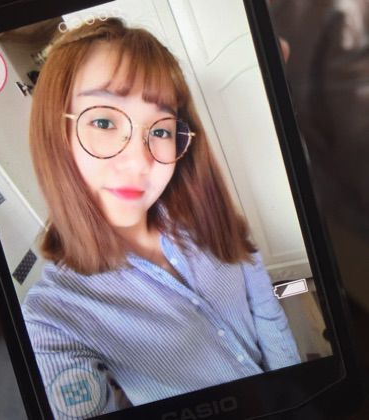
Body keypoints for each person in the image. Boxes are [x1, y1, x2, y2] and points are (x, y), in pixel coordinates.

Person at [22, 17, 300, 419]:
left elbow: (266, 308)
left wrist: (293, 396)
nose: (139, 161)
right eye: (103, 121)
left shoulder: (207, 216)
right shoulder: (52, 316)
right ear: (54, 135)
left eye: (161, 130)